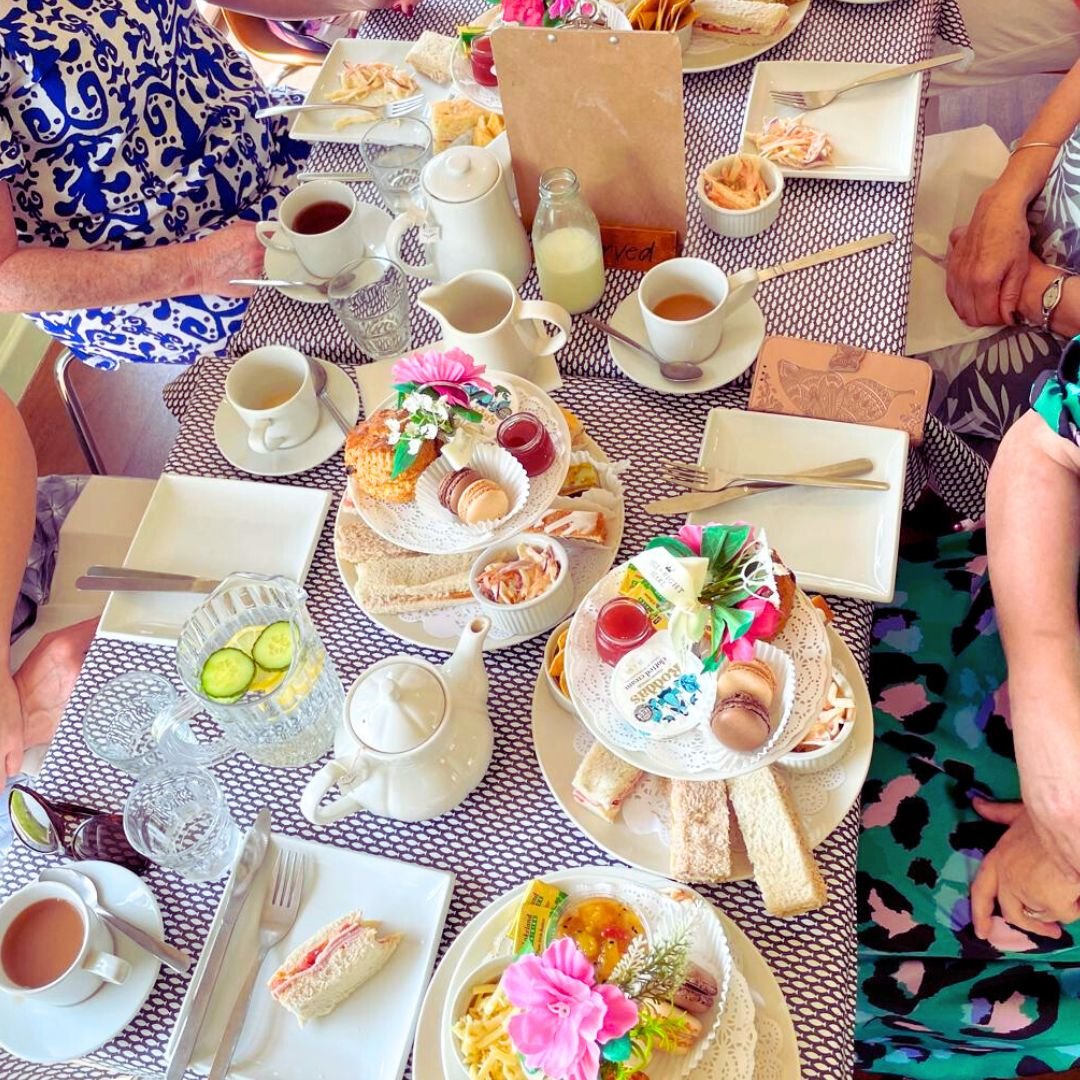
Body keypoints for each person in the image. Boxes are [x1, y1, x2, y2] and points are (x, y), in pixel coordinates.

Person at [856, 336, 1080, 1076]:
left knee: (846, 930)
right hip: (1019, 623)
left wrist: (1069, 843)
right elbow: (1043, 443)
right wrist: (1049, 701)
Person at [0, 0, 408, 370]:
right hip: (163, 261)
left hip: (269, 134)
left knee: (414, 176)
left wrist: (350, 1)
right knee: (365, 324)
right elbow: (5, 278)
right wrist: (196, 267)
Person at [926, 59, 1080, 450]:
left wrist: (1037, 293)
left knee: (859, 370)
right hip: (1041, 205)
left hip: (1063, 353)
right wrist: (1009, 191)